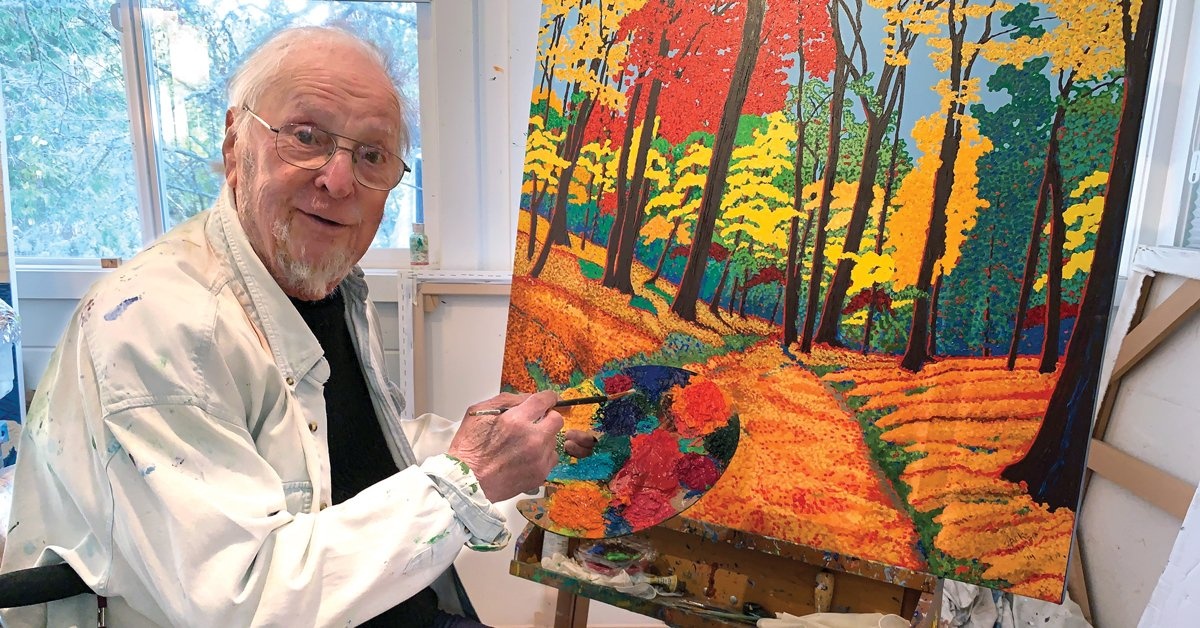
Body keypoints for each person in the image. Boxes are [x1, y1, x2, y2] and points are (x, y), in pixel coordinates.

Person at [0, 26, 595, 627]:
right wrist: (470, 476)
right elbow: (243, 600)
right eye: (306, 137)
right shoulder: (157, 322)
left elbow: (336, 451)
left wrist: (478, 443)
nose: (338, 180)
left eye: (371, 156)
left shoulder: (329, 284)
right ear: (236, 145)